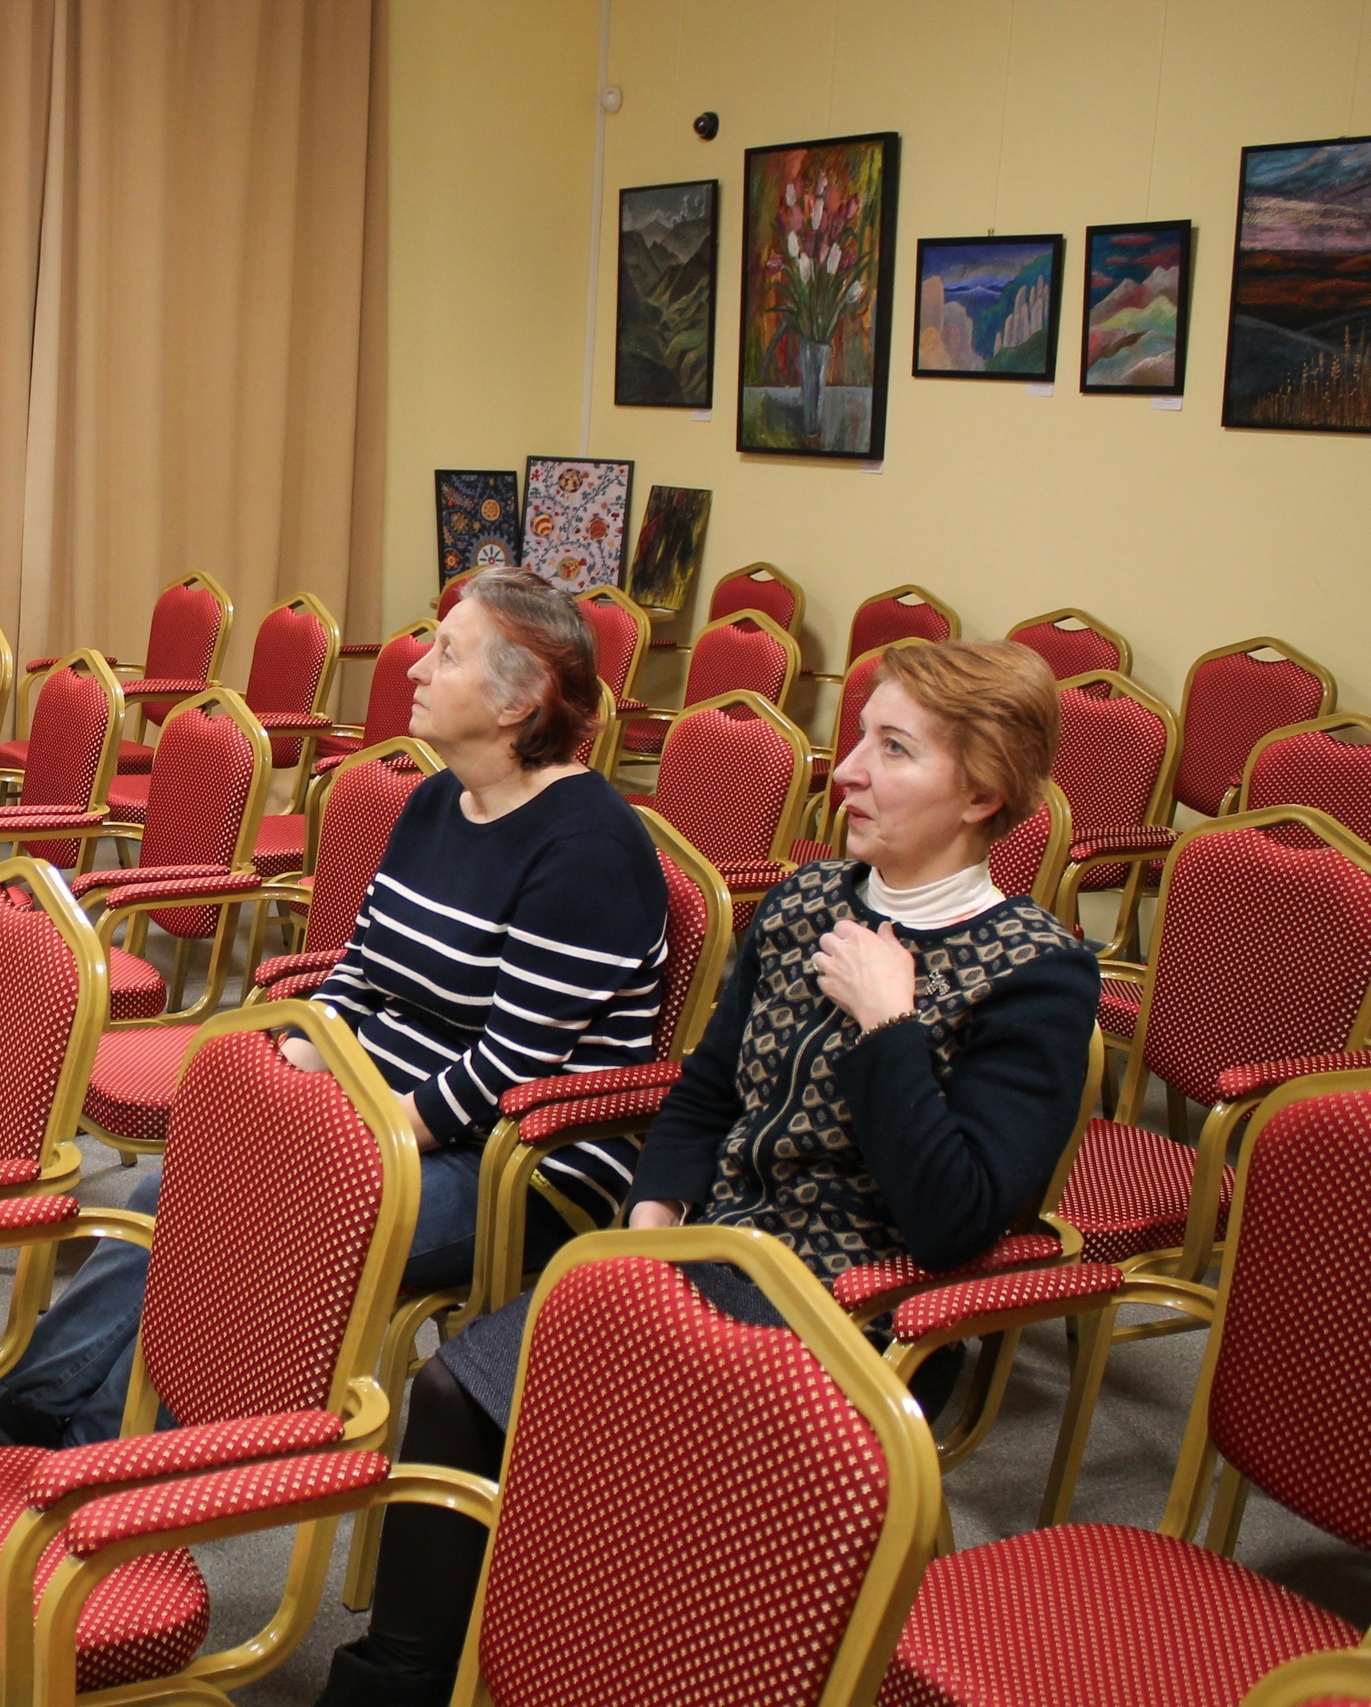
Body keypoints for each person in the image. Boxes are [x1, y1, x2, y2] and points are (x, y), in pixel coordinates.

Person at [316, 638, 1100, 1707]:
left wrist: (891, 1028)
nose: (848, 771)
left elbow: (954, 1220)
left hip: (854, 1309)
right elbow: (704, 1090)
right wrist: (650, 1218)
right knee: (456, 1388)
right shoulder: (807, 900)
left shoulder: (1035, 972)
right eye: (860, 738)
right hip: (707, 1251)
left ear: (982, 793)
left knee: (640, 1454)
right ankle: (396, 1685)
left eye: (894, 749)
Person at [0, 568, 670, 1465]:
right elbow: (358, 971)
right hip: (376, 1107)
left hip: (516, 1164)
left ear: (517, 701)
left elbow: (511, 1067)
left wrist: (343, 1132)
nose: (417, 668)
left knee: (255, 1221)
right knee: (172, 1187)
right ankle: (10, 1427)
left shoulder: (587, 848)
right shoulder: (436, 799)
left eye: (449, 654)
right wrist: (299, 1059)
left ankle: (88, 1462)